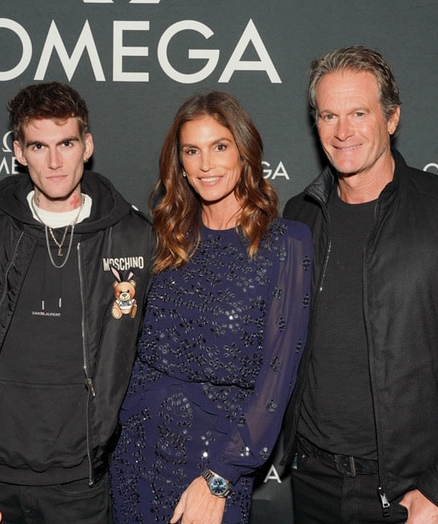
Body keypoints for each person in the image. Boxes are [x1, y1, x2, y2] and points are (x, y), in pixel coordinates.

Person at [281, 45, 438, 523]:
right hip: (313, 483)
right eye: (328, 115)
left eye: (358, 113)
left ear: (391, 119)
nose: (342, 131)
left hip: (412, 491)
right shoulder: (298, 216)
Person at [110, 91, 313, 524]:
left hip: (213, 467)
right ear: (179, 161)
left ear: (244, 152)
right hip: (134, 455)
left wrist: (219, 477)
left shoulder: (285, 244)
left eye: (219, 147)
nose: (206, 164)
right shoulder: (166, 237)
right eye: (192, 151)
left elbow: (276, 381)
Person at [0, 81, 155, 524]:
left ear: (87, 145)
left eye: (66, 143)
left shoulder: (131, 235)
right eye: (39, 145)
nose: (54, 161)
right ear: (18, 151)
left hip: (80, 477)